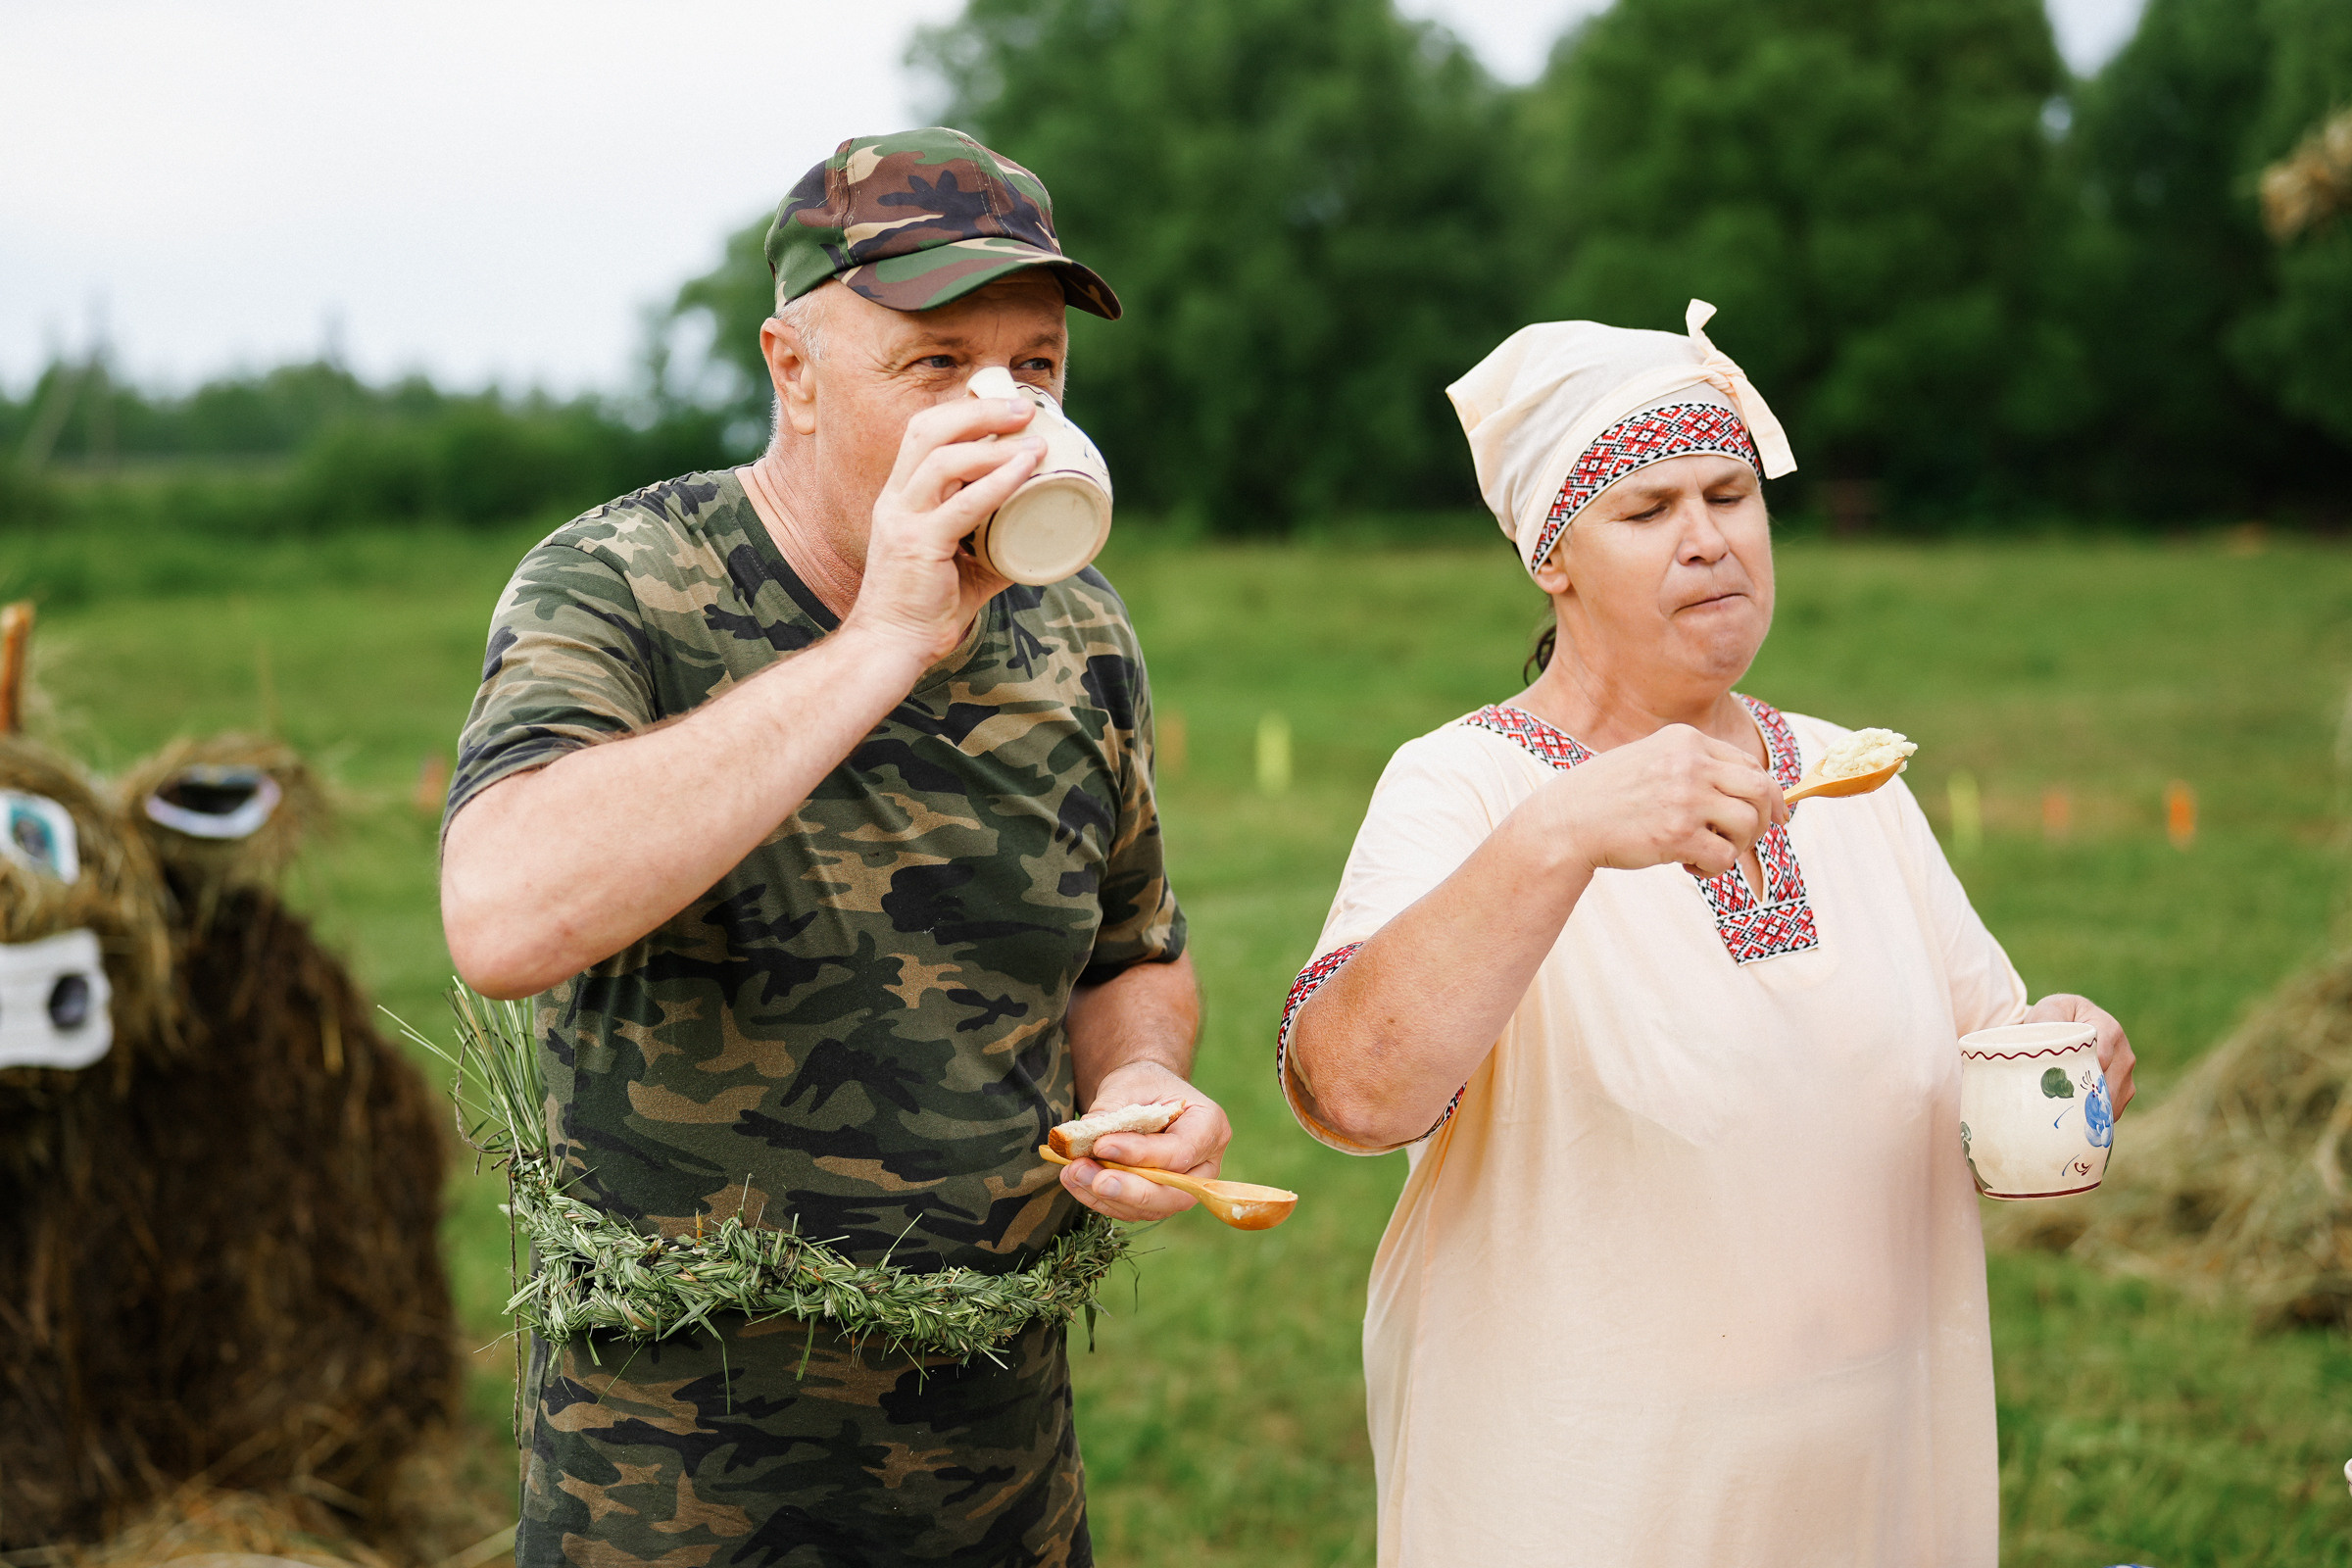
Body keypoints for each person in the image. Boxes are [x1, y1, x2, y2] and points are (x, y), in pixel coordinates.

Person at [439, 127, 1227, 1568]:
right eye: (938, 366)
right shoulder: (622, 585)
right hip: (672, 1473)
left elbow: (1129, 951)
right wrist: (881, 641)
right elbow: (502, 918)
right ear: (792, 371)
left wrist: (1142, 1078)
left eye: (1035, 369)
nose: (1001, 408)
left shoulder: (1082, 628)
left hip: (993, 1456)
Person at [1277, 302, 2136, 1566]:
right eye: (1647, 511)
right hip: (1592, 1493)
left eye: (1729, 494)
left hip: (1876, 1476)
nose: (1708, 541)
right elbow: (1347, 1091)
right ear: (1551, 558)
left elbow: (1979, 1060)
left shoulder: (1852, 778)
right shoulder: (1465, 788)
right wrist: (1560, 835)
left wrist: (2062, 1046)